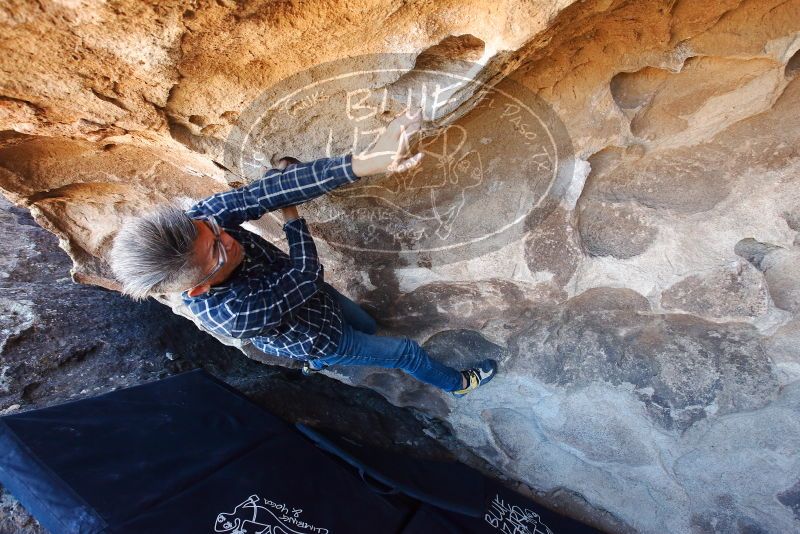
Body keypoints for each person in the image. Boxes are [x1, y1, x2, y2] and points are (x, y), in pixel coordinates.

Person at [109, 109, 496, 397]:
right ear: (198, 288)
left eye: (213, 228)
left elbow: (259, 195)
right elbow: (305, 274)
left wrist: (363, 164)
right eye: (217, 250)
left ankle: (366, 347)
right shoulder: (234, 315)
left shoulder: (198, 224)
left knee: (365, 323)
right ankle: (457, 384)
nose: (226, 235)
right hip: (318, 338)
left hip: (314, 304)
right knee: (405, 352)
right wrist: (291, 215)